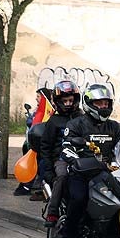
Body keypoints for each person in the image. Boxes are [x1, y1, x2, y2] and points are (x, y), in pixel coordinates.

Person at [54, 84, 120, 238]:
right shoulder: (76, 124)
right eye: (99, 103)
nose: (104, 107)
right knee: (79, 199)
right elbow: (67, 147)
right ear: (88, 103)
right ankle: (66, 237)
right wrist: (77, 161)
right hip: (82, 173)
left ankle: (112, 236)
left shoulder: (115, 127)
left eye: (106, 103)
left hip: (107, 172)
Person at [41, 80, 82, 227]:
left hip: (82, 156)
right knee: (63, 176)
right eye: (64, 101)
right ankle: (52, 212)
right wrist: (48, 169)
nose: (68, 103)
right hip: (62, 158)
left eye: (71, 100)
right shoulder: (54, 121)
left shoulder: (82, 118)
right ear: (58, 101)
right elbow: (45, 146)